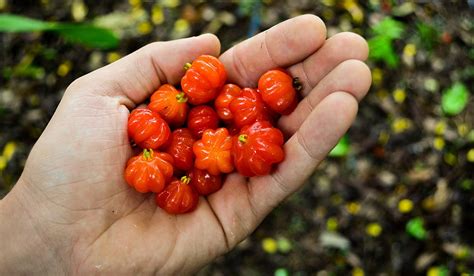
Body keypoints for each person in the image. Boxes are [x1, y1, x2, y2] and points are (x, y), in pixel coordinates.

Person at [0, 15, 371, 274]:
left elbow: (222, 132)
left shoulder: (227, 116)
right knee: (209, 150)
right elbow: (193, 139)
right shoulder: (174, 133)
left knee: (215, 148)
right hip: (199, 152)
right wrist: (41, 229)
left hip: (221, 143)